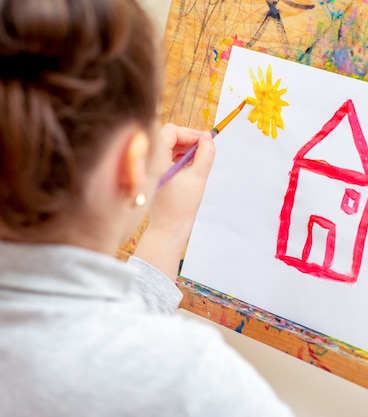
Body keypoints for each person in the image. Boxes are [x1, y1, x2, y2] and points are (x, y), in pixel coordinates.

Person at [0, 0, 294, 416]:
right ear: (132, 161)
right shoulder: (192, 382)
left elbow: (91, 328)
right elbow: (124, 361)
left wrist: (166, 231)